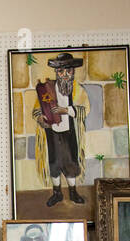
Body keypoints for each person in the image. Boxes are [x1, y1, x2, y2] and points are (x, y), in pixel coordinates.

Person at [31, 51, 90, 207]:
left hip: (70, 133)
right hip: (52, 133)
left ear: (73, 72)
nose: (65, 74)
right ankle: (57, 193)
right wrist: (40, 118)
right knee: (54, 162)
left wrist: (66, 110)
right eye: (61, 71)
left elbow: (85, 109)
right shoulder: (47, 88)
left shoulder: (78, 90)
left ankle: (73, 192)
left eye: (69, 70)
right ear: (56, 72)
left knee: (70, 161)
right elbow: (37, 109)